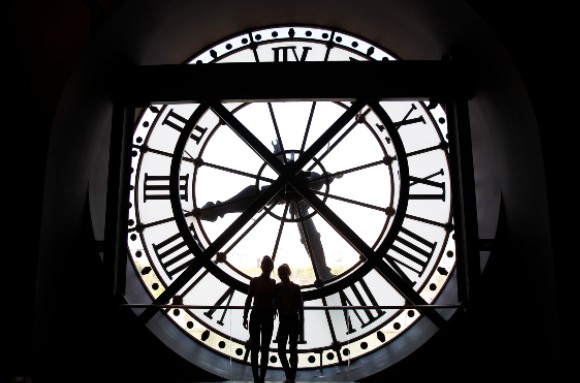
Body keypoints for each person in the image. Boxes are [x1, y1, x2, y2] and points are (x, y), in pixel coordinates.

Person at [243, 255, 277, 383]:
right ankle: (262, 376)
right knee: (265, 348)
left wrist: (245, 316)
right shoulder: (273, 283)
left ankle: (256, 377)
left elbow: (248, 299)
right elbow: (274, 299)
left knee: (255, 348)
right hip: (267, 316)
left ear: (261, 266)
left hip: (256, 314)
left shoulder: (254, 281)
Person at [275, 263, 304, 383]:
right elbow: (300, 307)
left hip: (284, 321)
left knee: (281, 349)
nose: (281, 275)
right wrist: (301, 324)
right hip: (293, 320)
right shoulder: (296, 288)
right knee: (293, 349)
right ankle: (291, 375)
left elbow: (275, 303)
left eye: (282, 273)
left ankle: (288, 375)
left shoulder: (277, 288)